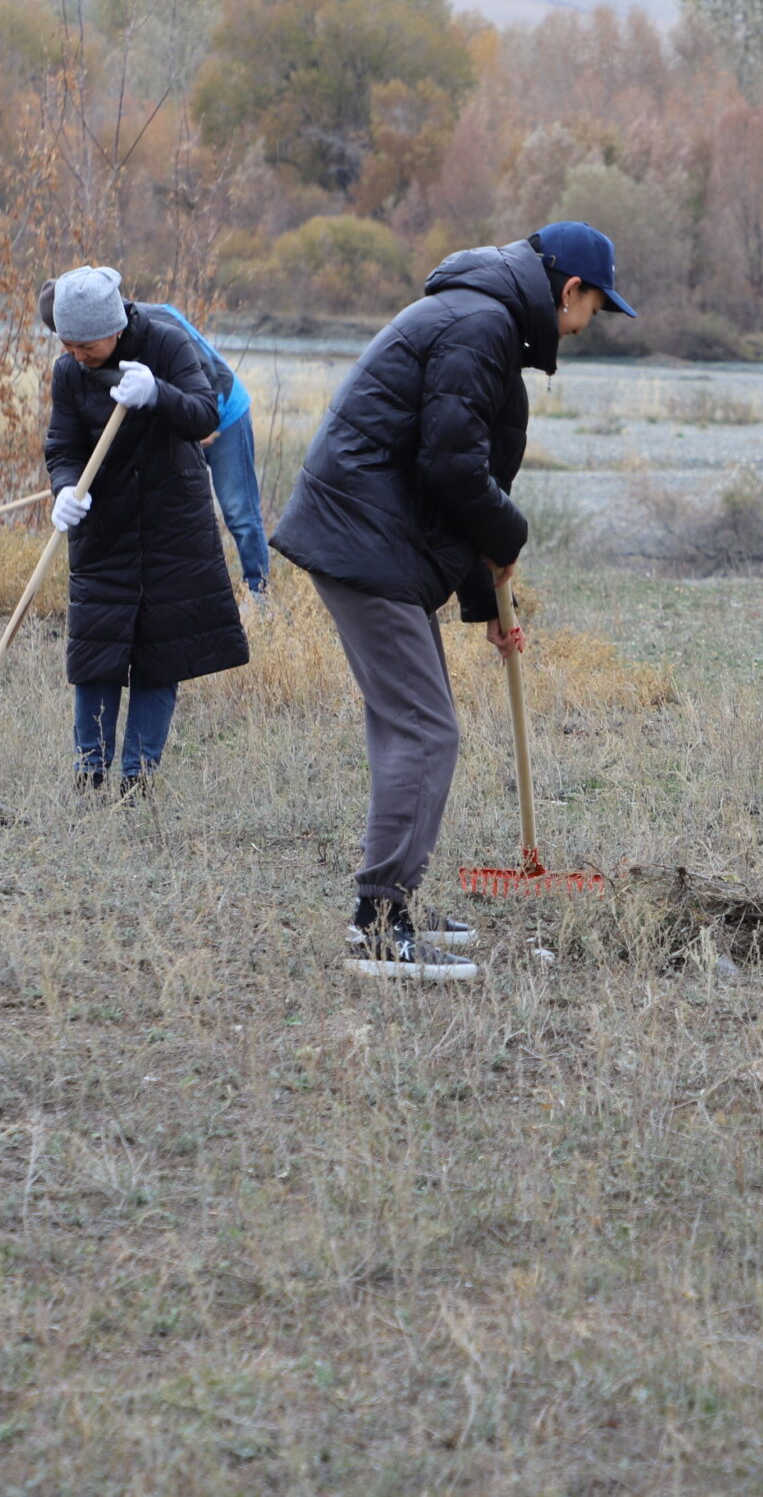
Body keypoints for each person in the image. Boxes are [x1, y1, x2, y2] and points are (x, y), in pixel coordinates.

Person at [271, 221, 633, 979]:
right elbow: (452, 469)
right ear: (570, 289)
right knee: (426, 730)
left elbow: (461, 481)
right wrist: (513, 533)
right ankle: (379, 924)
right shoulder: (482, 325)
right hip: (364, 538)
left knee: (412, 723)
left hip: (373, 538)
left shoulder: (481, 317)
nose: (587, 324)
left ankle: (389, 902)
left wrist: (487, 604)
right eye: (594, 308)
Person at [41, 266, 251, 796]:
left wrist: (158, 392)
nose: (76, 355)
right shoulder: (68, 373)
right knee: (96, 651)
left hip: (172, 526)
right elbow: (63, 447)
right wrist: (64, 490)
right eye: (67, 344)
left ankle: (138, 782)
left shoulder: (167, 345)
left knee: (161, 652)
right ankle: (90, 775)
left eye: (86, 345)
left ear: (114, 329)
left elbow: (204, 416)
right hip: (104, 529)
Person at [144, 302, 270, 599]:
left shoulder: (153, 321)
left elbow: (204, 367)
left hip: (224, 416)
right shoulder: (105, 344)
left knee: (239, 511)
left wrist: (205, 422)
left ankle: (259, 594)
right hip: (184, 423)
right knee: (176, 512)